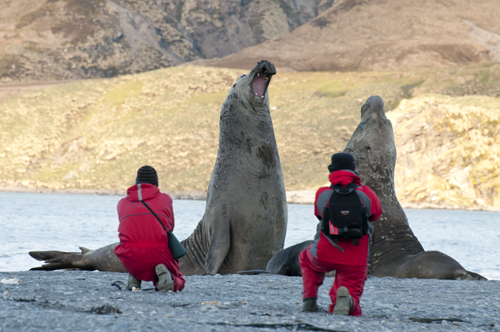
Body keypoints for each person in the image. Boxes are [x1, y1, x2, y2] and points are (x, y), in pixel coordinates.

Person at [299, 153, 382, 316]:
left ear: (332, 171)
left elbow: (319, 214)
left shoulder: (322, 194)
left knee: (305, 258)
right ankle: (347, 301)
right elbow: (376, 215)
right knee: (351, 292)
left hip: (323, 254)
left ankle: (309, 300)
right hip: (355, 259)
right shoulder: (367, 193)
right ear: (353, 170)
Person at [114, 165, 185, 292]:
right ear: (155, 183)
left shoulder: (121, 203)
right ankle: (168, 280)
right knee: (179, 278)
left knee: (135, 247)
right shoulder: (165, 199)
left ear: (137, 182)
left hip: (129, 255)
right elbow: (170, 227)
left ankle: (135, 277)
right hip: (158, 253)